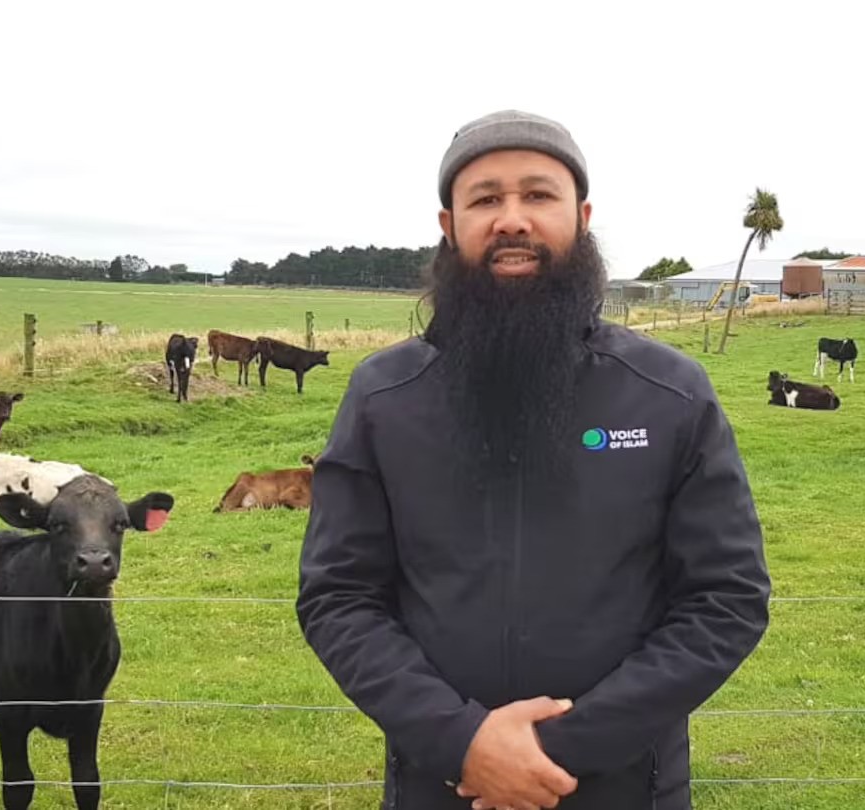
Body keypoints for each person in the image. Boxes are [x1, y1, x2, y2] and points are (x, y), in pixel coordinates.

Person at [296, 109, 771, 810]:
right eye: (485, 198)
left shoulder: (669, 395)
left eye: (537, 195)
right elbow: (340, 597)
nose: (511, 219)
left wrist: (556, 751)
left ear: (581, 217)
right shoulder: (383, 396)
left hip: (623, 789)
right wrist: (462, 743)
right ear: (447, 225)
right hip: (440, 786)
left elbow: (726, 599)